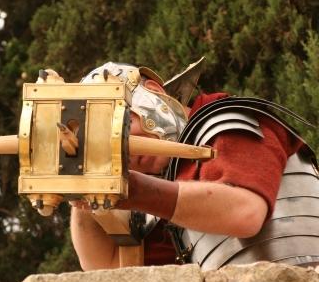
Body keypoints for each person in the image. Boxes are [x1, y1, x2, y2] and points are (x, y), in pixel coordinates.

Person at [70, 61, 318, 270]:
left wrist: (134, 191)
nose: (125, 152)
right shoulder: (162, 187)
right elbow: (105, 266)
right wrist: (81, 181)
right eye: (107, 151)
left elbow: (246, 213)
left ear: (153, 92)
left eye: (122, 128)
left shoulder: (223, 123)